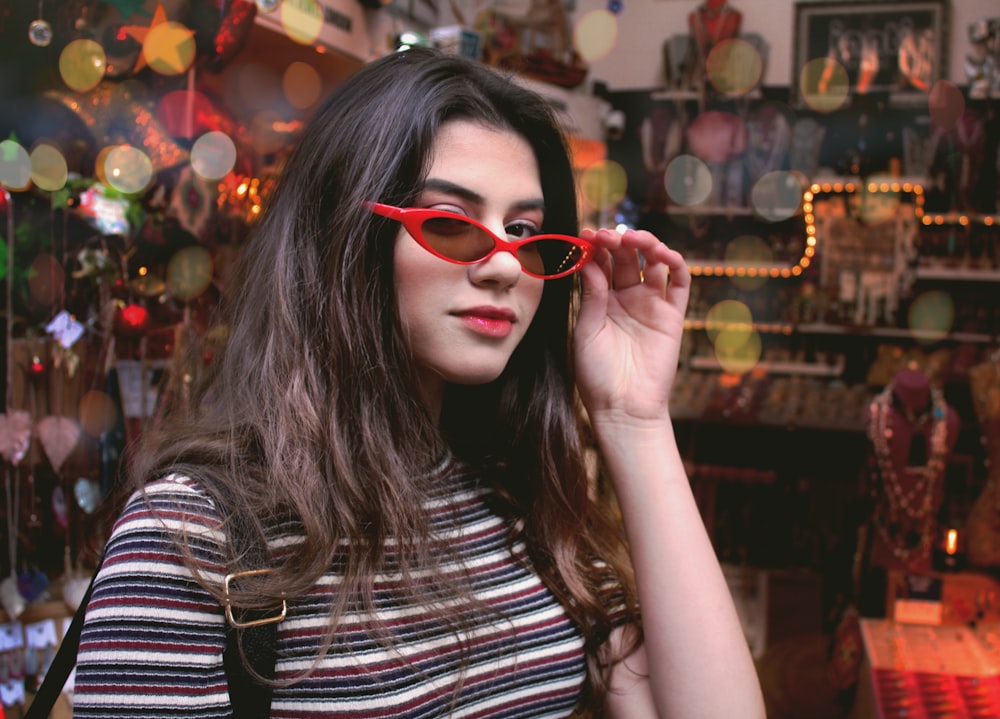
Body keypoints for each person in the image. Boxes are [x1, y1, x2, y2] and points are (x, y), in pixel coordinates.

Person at [71, 47, 764, 718]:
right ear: (342, 239)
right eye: (450, 224)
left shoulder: (524, 507)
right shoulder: (188, 540)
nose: (504, 265)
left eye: (524, 230)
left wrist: (633, 417)